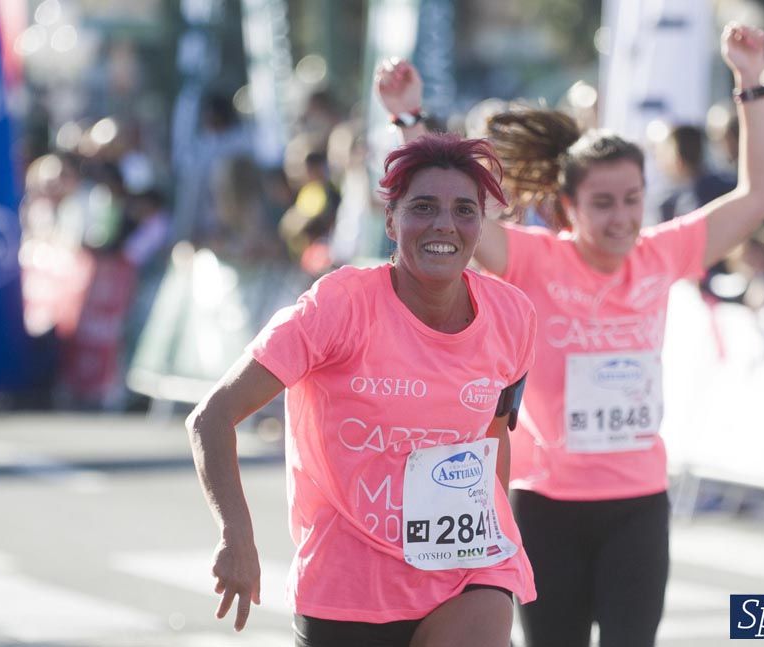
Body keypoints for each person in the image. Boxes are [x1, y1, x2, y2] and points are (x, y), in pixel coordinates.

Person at [377, 23, 764, 647]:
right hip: (546, 505)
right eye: (603, 203)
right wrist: (409, 120)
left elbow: (760, 195)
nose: (622, 218)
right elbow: (458, 216)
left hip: (638, 504)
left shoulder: (661, 254)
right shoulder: (536, 259)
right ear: (569, 207)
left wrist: (750, 82)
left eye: (632, 199)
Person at [186, 133, 538, 647]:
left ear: (480, 225)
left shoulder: (512, 315)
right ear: (391, 221)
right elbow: (211, 418)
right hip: (347, 584)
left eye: (464, 210)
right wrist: (236, 535)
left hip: (466, 571)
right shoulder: (338, 306)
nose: (444, 224)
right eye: (423, 207)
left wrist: (497, 533)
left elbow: (494, 435)